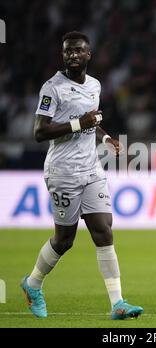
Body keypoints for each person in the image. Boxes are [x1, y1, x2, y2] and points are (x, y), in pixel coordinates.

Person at [21, 31, 143, 320]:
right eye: (67, 51)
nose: (72, 55)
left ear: (89, 54)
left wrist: (106, 138)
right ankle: (33, 283)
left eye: (78, 51)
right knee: (65, 240)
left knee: (104, 230)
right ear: (63, 55)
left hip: (91, 170)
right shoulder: (52, 88)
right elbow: (40, 132)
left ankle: (118, 304)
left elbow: (92, 121)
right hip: (62, 172)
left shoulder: (94, 85)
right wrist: (79, 123)